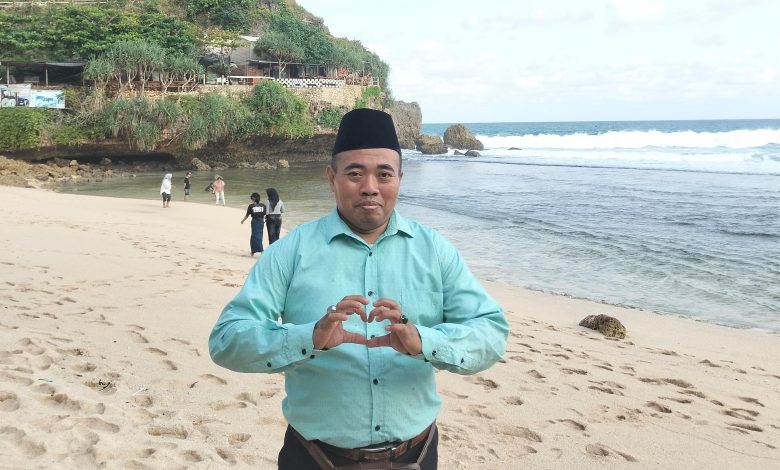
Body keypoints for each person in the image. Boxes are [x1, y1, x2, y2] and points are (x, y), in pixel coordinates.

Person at [209, 108, 508, 470]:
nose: (370, 186)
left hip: (416, 455)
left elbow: (491, 332)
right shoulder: (290, 251)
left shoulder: (434, 251)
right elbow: (226, 339)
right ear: (331, 178)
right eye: (354, 173)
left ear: (400, 178)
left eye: (384, 174)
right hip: (313, 457)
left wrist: (423, 341)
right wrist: (309, 338)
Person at [241, 192, 267, 256]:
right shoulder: (263, 205)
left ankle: (257, 250)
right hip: (261, 222)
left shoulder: (251, 206)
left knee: (254, 236)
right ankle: (257, 250)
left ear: (253, 198)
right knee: (259, 235)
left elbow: (247, 215)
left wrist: (243, 220)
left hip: (254, 221)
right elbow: (266, 214)